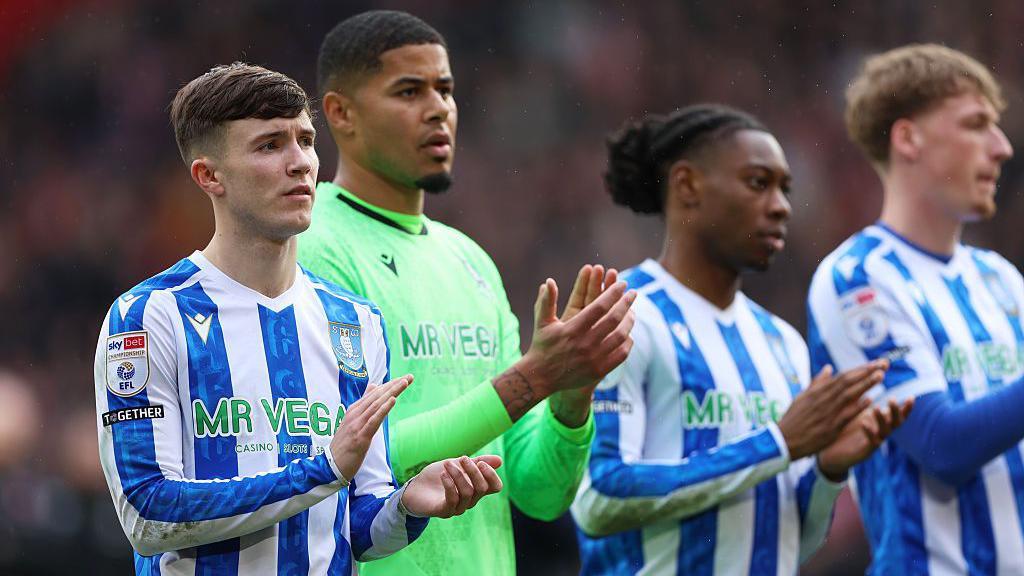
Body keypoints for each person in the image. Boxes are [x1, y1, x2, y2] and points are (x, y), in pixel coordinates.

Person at [93, 62, 502, 576]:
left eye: (305, 141)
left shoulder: (354, 323)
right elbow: (148, 516)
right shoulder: (149, 317)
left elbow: (357, 528)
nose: (301, 163)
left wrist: (407, 504)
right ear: (209, 175)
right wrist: (323, 470)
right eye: (270, 145)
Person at [298, 10, 636, 576]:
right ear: (341, 113)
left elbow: (537, 492)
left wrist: (570, 400)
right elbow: (347, 460)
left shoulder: (469, 260)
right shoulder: (314, 246)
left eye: (446, 90)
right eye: (409, 91)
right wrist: (533, 377)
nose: (438, 109)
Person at [572, 104, 912, 575]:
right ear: (687, 185)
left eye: (785, 189)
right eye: (758, 183)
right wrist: (777, 442)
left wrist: (828, 472)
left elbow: (792, 543)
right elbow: (600, 497)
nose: (781, 206)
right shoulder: (626, 317)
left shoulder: (782, 343)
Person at [809, 44, 1023, 574]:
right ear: (908, 138)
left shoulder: (1000, 278)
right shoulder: (858, 279)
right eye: (976, 124)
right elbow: (939, 443)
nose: (1002, 147)